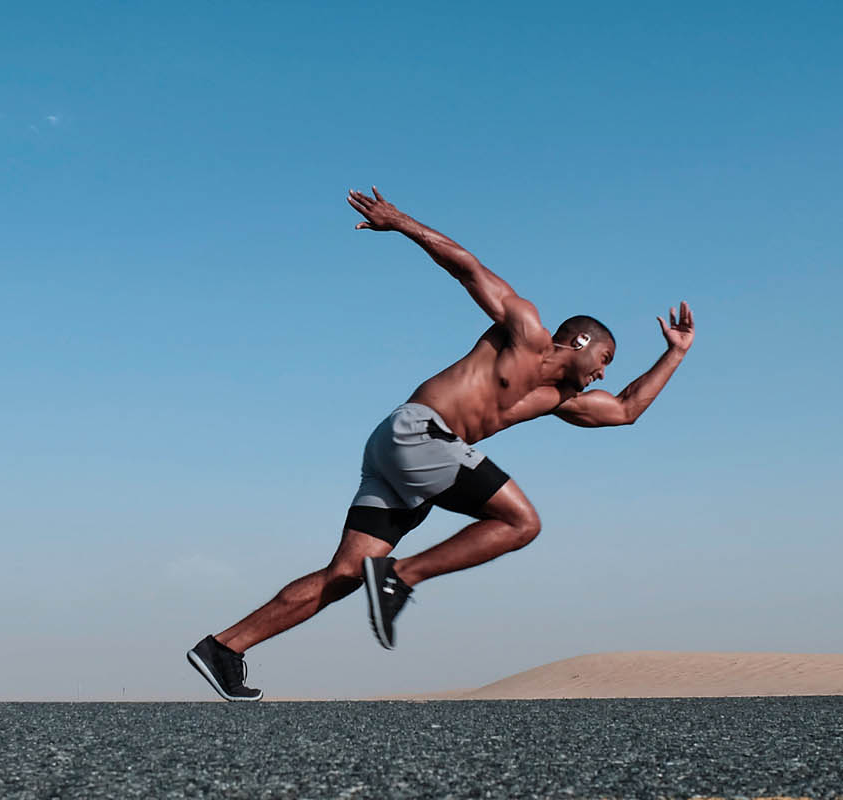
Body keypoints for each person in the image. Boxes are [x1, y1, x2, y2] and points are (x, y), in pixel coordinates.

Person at [187, 187, 695, 701]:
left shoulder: (558, 398)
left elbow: (627, 409)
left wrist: (674, 355)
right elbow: (467, 267)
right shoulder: (525, 329)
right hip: (418, 433)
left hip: (406, 459)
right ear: (581, 342)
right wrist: (400, 222)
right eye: (605, 357)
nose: (605, 371)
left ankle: (225, 648)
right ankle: (400, 578)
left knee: (344, 574)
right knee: (522, 523)